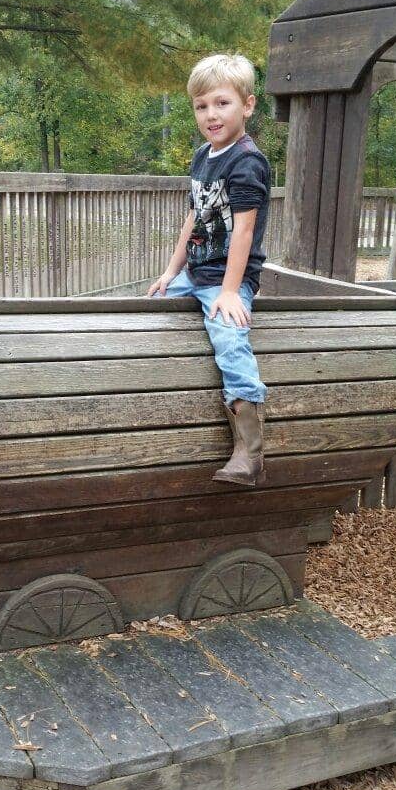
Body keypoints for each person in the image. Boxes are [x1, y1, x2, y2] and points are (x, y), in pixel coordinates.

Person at [147, 53, 270, 487]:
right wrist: (169, 272)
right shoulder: (203, 156)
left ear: (247, 106)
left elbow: (243, 230)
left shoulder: (247, 162)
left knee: (229, 341)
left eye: (222, 103)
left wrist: (232, 291)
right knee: (147, 310)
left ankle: (249, 452)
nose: (211, 115)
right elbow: (194, 219)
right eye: (202, 106)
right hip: (195, 273)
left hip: (227, 279)